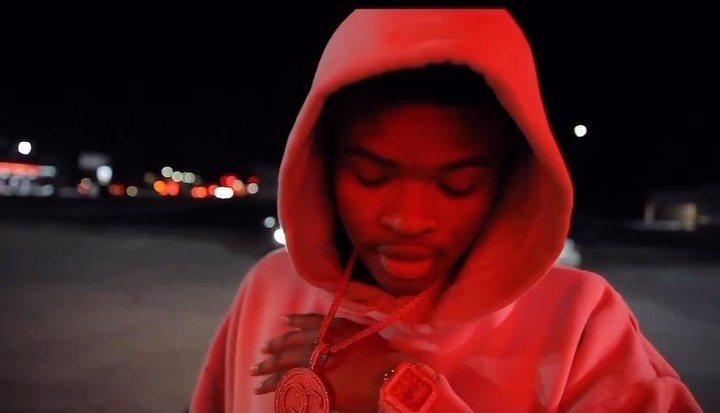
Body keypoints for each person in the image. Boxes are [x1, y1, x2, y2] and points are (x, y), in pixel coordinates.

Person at [191, 8, 702, 413]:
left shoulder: (580, 322)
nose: (408, 219)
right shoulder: (271, 286)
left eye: (458, 184)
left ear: (509, 182)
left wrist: (402, 391)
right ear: (321, 166)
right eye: (371, 176)